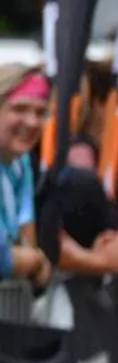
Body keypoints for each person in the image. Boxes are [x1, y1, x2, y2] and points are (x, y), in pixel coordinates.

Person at [0, 64, 53, 298]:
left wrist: (31, 259)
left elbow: (25, 232)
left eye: (40, 112)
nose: (32, 122)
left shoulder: (21, 164)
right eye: (19, 109)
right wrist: (34, 262)